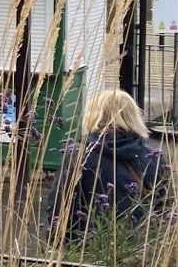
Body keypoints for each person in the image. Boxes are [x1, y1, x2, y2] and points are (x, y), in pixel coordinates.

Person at [66, 88, 168, 233]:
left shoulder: (78, 154)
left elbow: (60, 206)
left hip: (87, 248)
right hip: (140, 246)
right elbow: (165, 209)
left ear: (93, 116)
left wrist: (58, 242)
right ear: (134, 116)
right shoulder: (154, 157)